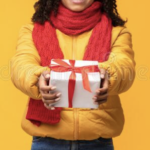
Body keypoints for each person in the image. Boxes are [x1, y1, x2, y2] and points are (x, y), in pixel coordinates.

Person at [10, 0, 136, 150]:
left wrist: (108, 75)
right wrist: (37, 79)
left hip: (98, 142)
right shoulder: (31, 31)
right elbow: (21, 64)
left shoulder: (117, 32)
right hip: (46, 141)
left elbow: (124, 65)